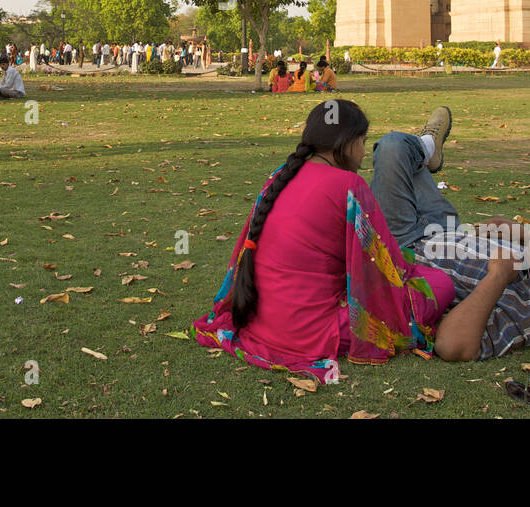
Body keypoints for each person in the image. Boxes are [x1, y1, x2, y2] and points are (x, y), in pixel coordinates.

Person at [192, 100, 454, 382]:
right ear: (347, 143)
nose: (364, 154)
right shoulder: (350, 186)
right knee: (441, 284)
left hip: (260, 318)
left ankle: (426, 152)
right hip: (310, 331)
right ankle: (425, 153)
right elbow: (391, 267)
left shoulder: (282, 174)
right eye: (363, 142)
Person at [369, 108, 530, 361]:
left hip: (407, 243)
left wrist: (496, 278)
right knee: (404, 158)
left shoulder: (526, 315)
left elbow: (451, 346)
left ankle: (428, 145)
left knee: (393, 147)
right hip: (444, 228)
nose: (529, 236)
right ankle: (426, 150)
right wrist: (510, 230)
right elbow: (519, 234)